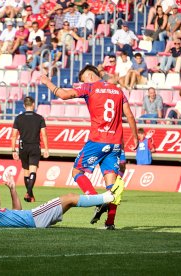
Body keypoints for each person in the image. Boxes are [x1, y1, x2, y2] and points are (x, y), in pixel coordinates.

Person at [40, 65, 138, 230]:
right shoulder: (118, 91)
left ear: (90, 76)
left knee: (77, 172)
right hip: (114, 144)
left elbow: (63, 95)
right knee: (112, 186)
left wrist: (47, 82)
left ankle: (95, 200)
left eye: (83, 79)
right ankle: (110, 223)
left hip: (97, 140)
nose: (82, 83)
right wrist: (135, 137)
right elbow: (129, 115)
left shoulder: (90, 87)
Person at [0, 167, 124, 228]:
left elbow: (17, 211)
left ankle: (103, 201)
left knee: (70, 201)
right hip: (34, 217)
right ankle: (106, 197)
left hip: (32, 218)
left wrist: (12, 189)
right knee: (69, 197)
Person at [11, 97, 49, 202]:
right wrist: (46, 149)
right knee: (33, 170)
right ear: (33, 104)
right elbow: (44, 134)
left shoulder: (18, 118)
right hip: (34, 146)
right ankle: (29, 192)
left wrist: (13, 150)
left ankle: (30, 196)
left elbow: (14, 135)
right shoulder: (40, 118)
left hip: (22, 147)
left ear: (24, 105)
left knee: (26, 171)